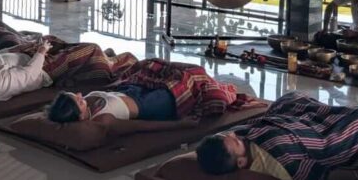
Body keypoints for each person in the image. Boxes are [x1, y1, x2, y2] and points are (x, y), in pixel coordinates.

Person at [195, 92, 358, 180]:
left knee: (289, 100)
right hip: (320, 137)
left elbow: (249, 127)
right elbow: (320, 178)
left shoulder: (239, 144)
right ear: (241, 162)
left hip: (292, 122)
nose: (234, 134)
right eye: (235, 141)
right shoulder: (278, 161)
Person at [46, 58, 262, 132]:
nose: (80, 95)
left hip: (132, 89)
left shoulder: (87, 105)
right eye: (79, 101)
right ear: (81, 116)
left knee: (150, 64)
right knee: (190, 75)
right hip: (152, 103)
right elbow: (140, 126)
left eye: (76, 95)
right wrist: (180, 125)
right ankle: (221, 89)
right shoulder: (102, 120)